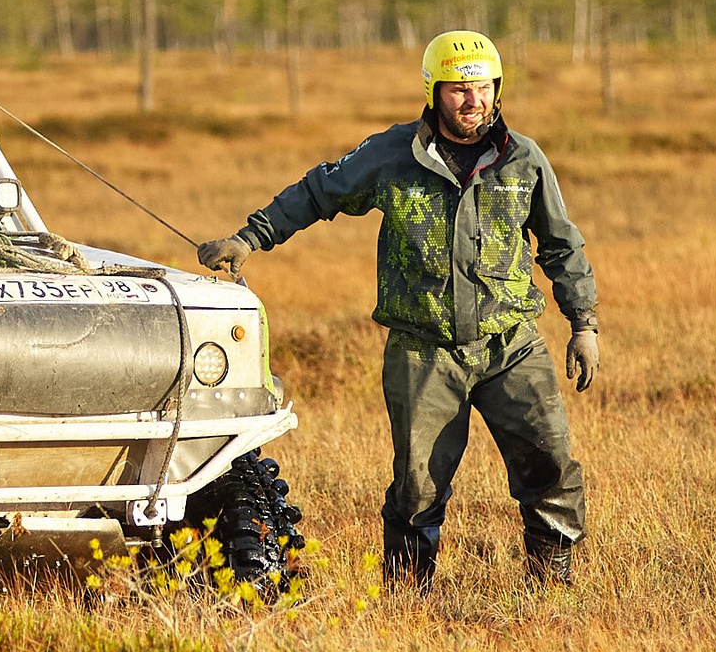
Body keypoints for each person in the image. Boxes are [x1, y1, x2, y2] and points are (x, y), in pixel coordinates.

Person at [197, 31, 599, 592]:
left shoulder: (523, 159)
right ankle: (409, 597)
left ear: (498, 89)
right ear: (433, 92)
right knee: (417, 489)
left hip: (511, 345)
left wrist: (583, 324)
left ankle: (551, 588)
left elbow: (561, 246)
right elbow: (318, 192)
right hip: (423, 352)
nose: (472, 100)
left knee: (550, 466)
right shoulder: (392, 154)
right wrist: (251, 237)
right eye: (458, 89)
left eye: (483, 87)